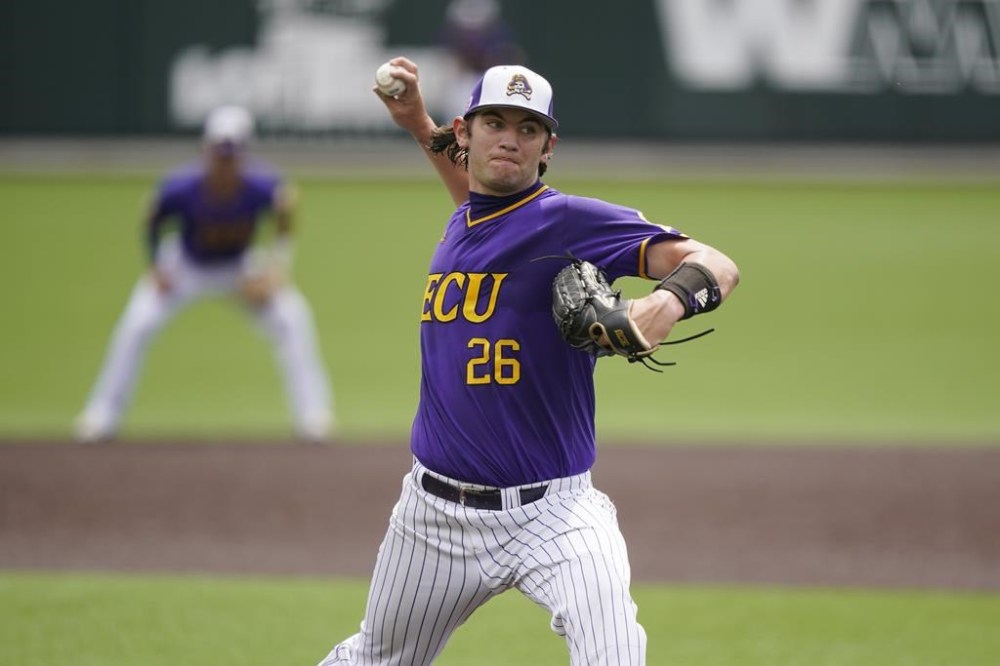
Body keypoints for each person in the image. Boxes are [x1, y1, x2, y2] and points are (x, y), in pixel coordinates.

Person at [316, 59, 739, 665]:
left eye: (528, 127)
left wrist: (665, 302)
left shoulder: (568, 221)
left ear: (548, 148)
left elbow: (719, 263)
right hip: (432, 519)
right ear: (465, 133)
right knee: (375, 659)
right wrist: (417, 123)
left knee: (615, 654)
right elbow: (477, 196)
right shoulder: (469, 219)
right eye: (494, 122)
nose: (509, 137)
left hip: (556, 516)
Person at [75, 105, 334, 444]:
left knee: (292, 318)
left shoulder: (261, 185)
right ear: (207, 150)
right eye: (219, 153)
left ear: (243, 154)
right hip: (185, 265)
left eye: (232, 154)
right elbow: (151, 218)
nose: (225, 162)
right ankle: (102, 415)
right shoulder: (181, 187)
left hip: (239, 267)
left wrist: (274, 270)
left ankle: (313, 417)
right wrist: (155, 266)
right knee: (137, 324)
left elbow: (286, 213)